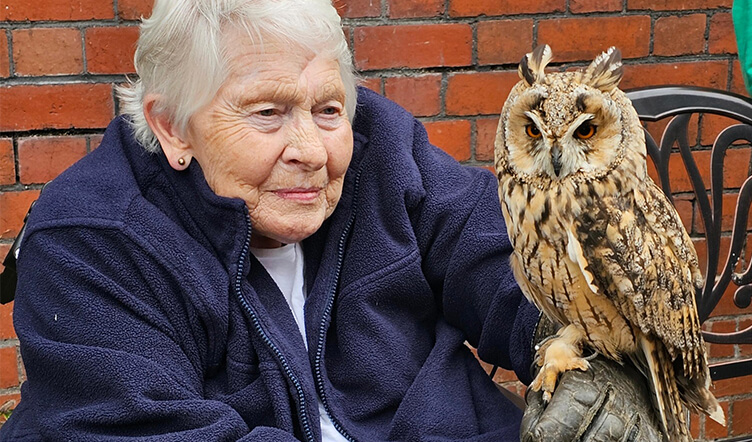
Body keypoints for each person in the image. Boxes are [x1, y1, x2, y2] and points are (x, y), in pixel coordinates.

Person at [0, 0, 662, 440]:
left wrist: (582, 349)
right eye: (266, 113)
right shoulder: (92, 240)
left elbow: (496, 252)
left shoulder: (381, 149)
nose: (312, 151)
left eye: (328, 109)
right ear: (172, 127)